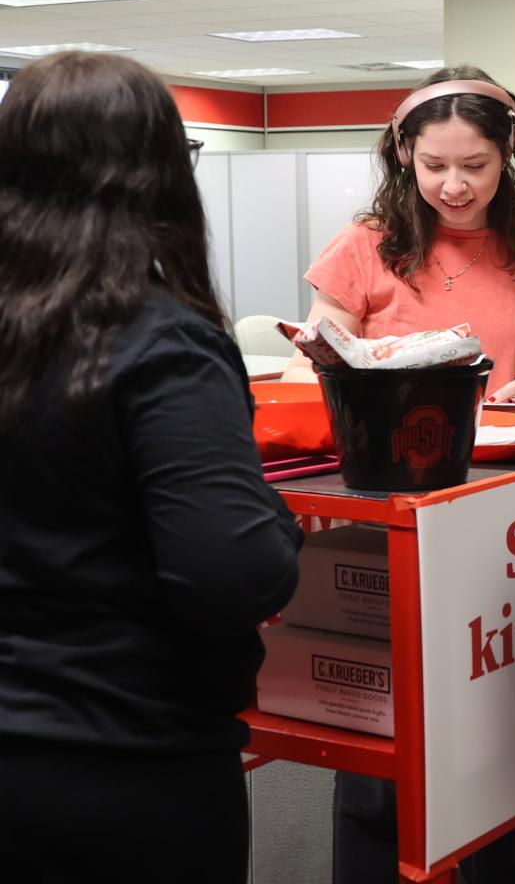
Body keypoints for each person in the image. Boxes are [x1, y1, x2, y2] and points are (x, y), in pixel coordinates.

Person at [0, 52, 302, 882]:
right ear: (161, 176)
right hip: (118, 757)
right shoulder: (155, 340)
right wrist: (275, 519)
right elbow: (230, 574)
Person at [283, 64, 515, 884]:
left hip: (491, 508)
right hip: (384, 513)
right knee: (384, 728)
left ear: (509, 156)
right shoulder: (364, 245)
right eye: (435, 165)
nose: (455, 185)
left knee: (498, 724)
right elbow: (319, 353)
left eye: (476, 167)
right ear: (403, 155)